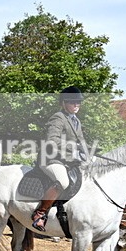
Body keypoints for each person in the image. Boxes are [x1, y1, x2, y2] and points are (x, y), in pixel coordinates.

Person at [31, 86, 90, 232]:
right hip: (50, 159)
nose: (76, 105)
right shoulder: (58, 118)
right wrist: (74, 148)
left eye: (78, 102)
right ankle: (40, 213)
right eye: (72, 102)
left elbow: (81, 141)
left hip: (67, 160)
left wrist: (88, 154)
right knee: (63, 181)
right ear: (64, 103)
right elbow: (52, 141)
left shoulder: (76, 121)